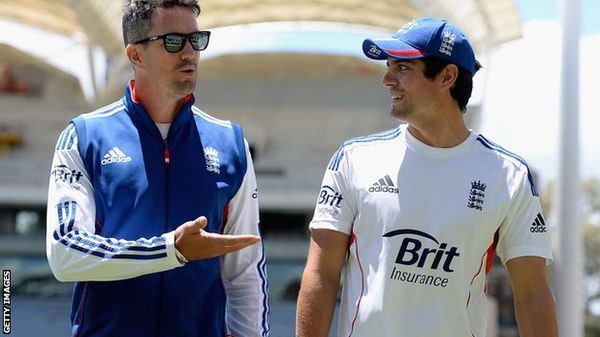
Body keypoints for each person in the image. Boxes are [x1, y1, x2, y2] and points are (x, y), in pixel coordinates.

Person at [296, 17, 557, 337]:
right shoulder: (353, 159)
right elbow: (321, 275)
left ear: (447, 76)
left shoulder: (509, 175)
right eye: (388, 67)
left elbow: (533, 294)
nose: (387, 80)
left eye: (403, 68)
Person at [46, 1, 269, 336]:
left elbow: (245, 273)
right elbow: (65, 253)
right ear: (135, 55)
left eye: (197, 40)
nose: (189, 53)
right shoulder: (84, 137)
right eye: (174, 42)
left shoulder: (231, 143)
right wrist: (170, 250)